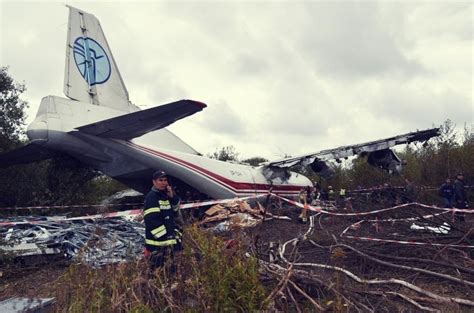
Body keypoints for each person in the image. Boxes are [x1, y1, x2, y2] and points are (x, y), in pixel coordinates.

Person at [144, 170, 183, 270]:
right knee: (157, 270)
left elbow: (175, 211)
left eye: (165, 180)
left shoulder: (165, 196)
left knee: (171, 269)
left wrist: (172, 196)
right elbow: (151, 220)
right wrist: (165, 236)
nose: (163, 183)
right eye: (160, 180)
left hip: (168, 241)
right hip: (157, 243)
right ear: (154, 182)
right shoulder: (152, 197)